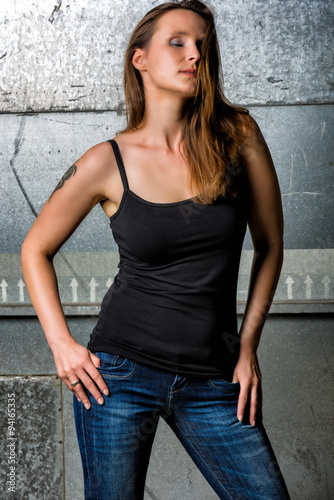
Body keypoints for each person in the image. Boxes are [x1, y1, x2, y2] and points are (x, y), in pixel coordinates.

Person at [21, 1, 292, 498]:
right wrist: (61, 344)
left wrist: (248, 347)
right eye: (178, 42)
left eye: (202, 46)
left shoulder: (238, 136)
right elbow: (35, 248)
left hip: (214, 379)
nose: (195, 55)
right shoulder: (107, 161)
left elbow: (270, 245)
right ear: (139, 59)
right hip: (119, 376)